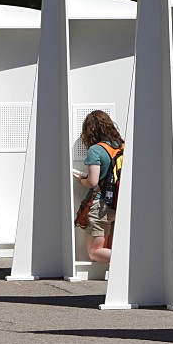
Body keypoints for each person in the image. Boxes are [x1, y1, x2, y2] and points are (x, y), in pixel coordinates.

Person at [73, 110, 123, 263]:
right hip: (118, 203)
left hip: (100, 205)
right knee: (108, 246)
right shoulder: (122, 146)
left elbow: (93, 182)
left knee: (95, 252)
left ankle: (130, 260)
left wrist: (81, 179)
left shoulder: (96, 150)